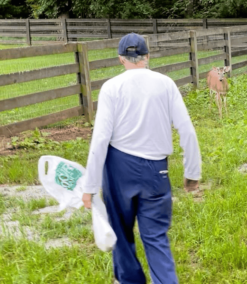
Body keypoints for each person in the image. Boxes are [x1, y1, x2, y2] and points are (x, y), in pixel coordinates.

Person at [80, 33, 202, 284]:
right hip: (156, 172)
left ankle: (129, 280)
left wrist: (89, 187)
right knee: (156, 237)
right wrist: (192, 172)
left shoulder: (111, 88)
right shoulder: (166, 84)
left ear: (120, 59)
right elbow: (187, 129)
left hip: (118, 171)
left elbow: (101, 138)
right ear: (147, 56)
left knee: (121, 235)